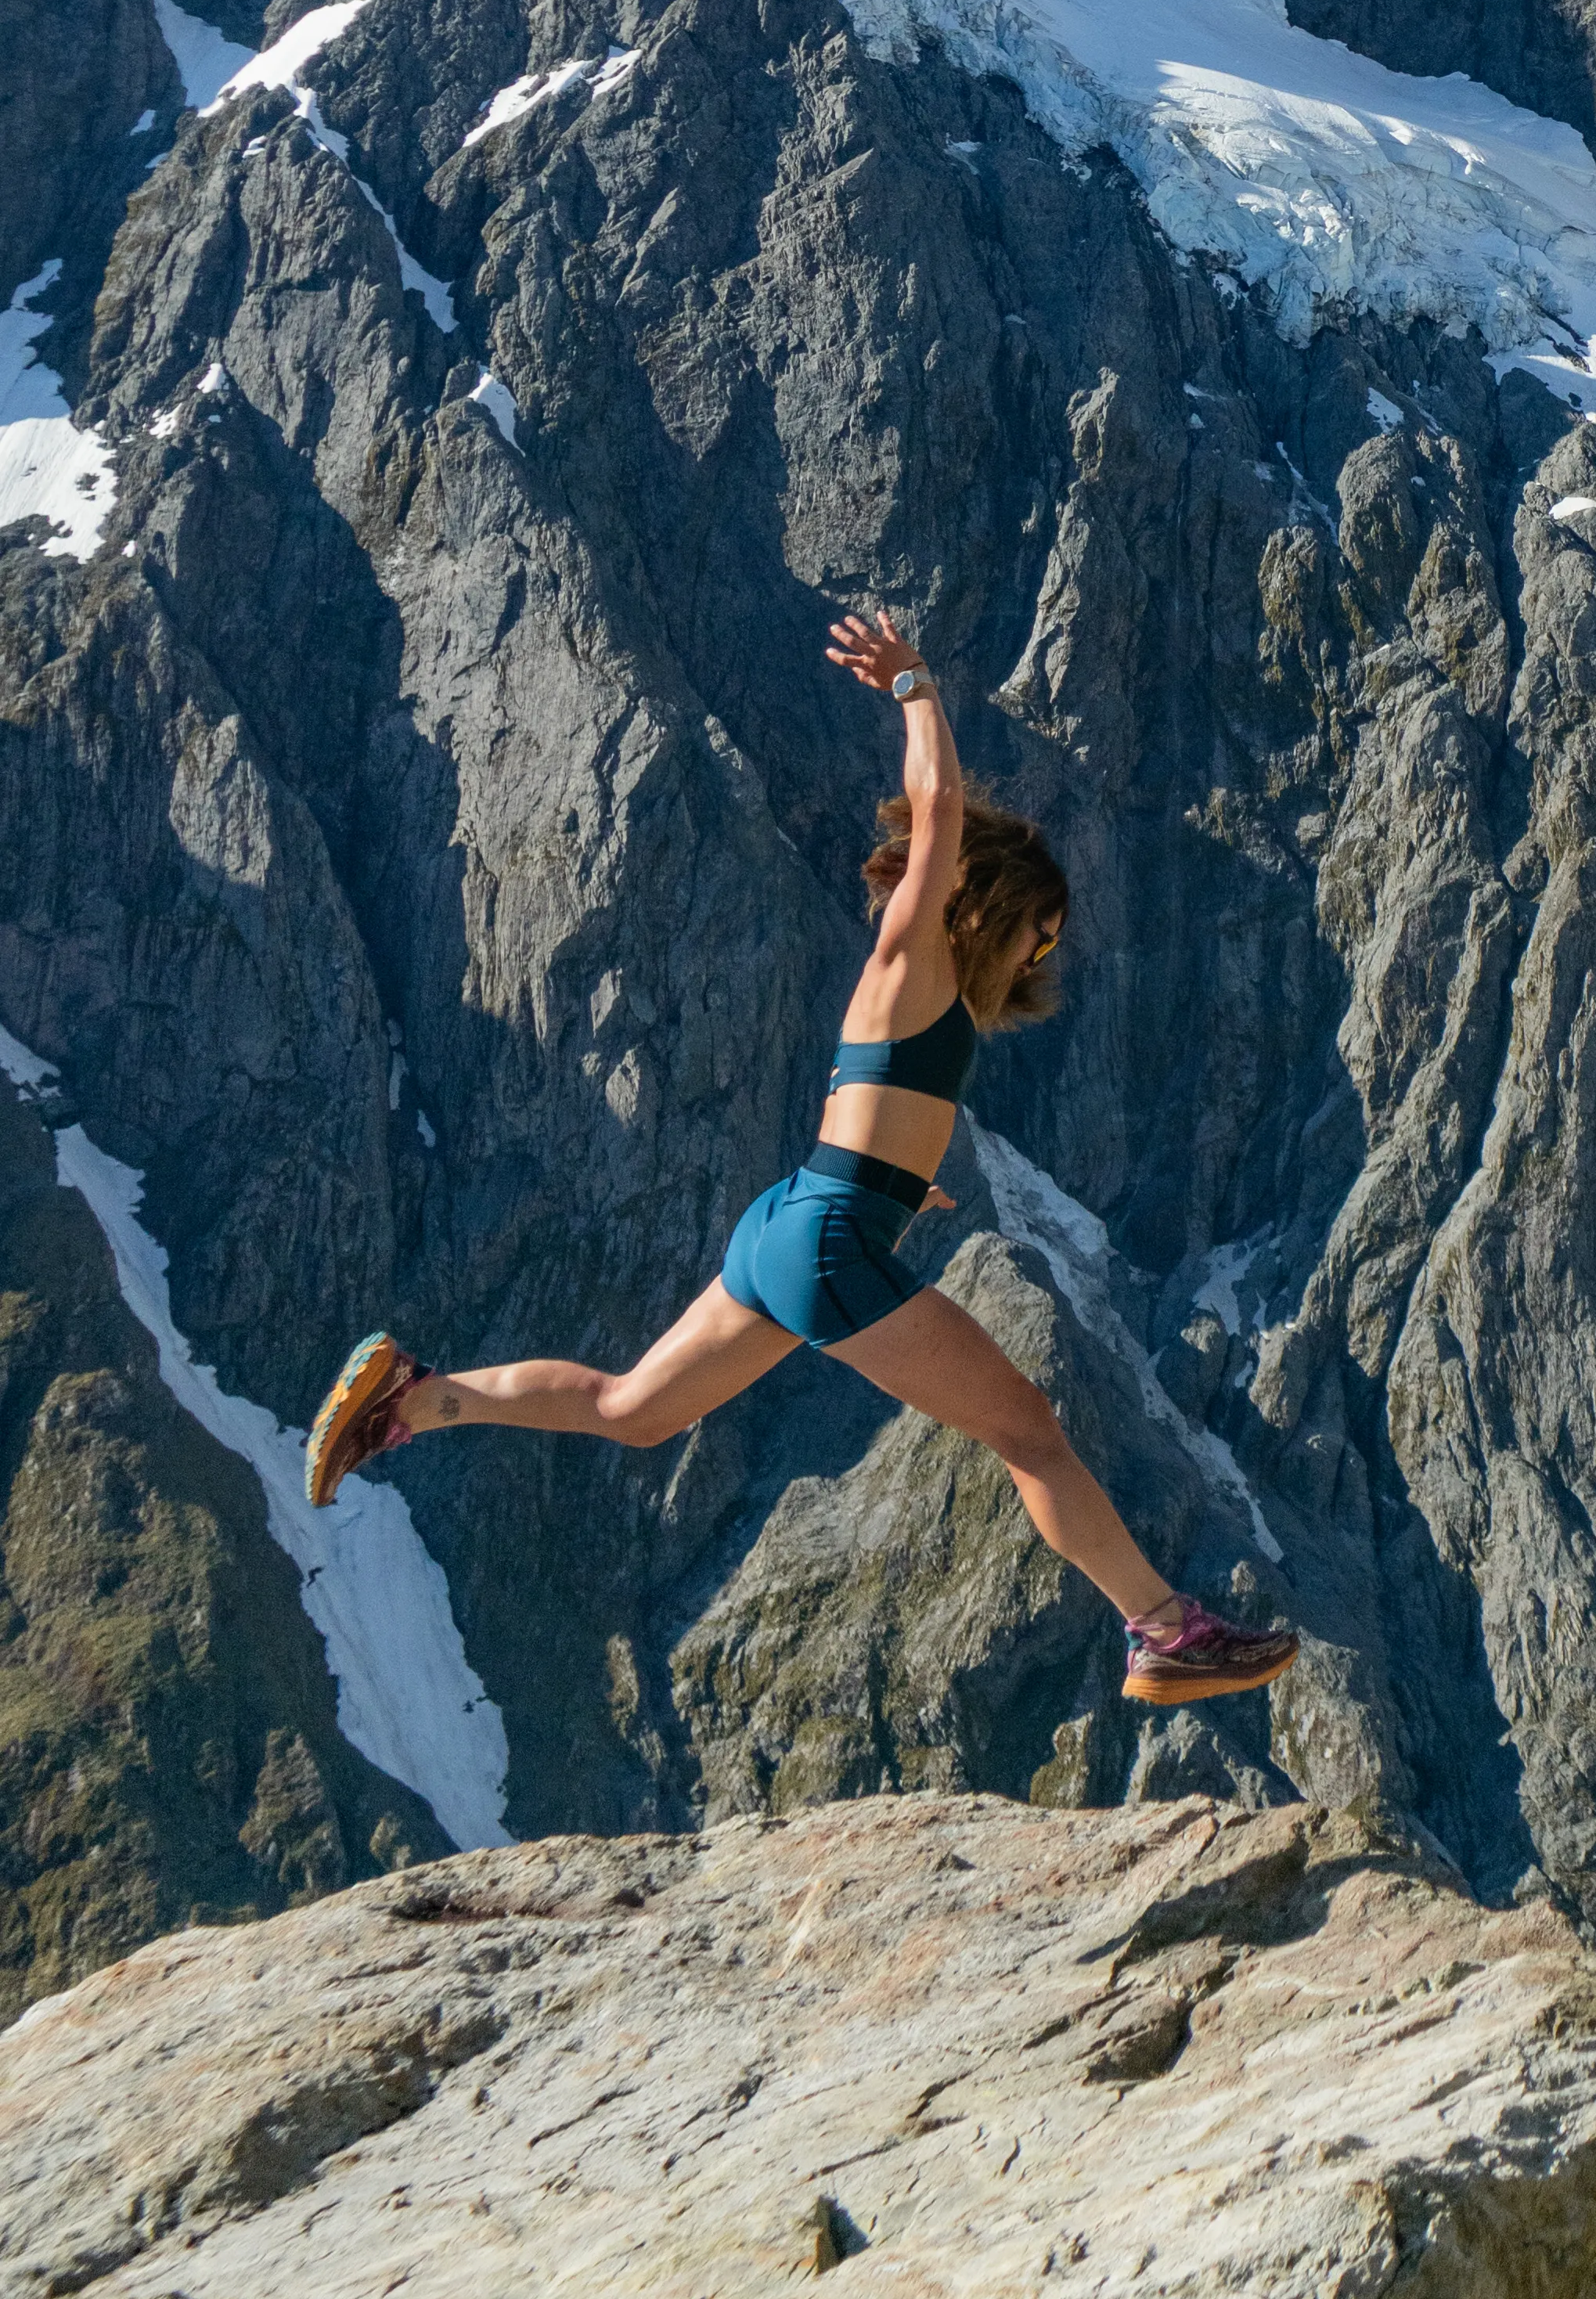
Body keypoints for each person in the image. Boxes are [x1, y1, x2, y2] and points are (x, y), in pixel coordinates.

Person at [304, 607, 1293, 1713]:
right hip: (827, 1239)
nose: (1042, 953)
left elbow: (877, 1114)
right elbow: (940, 810)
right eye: (1043, 929)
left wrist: (907, 1182)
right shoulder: (916, 949)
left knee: (636, 1409)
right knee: (1033, 1436)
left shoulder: (919, 996)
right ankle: (1164, 1630)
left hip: (795, 1220)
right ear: (996, 906)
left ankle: (416, 1399)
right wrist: (917, 684)